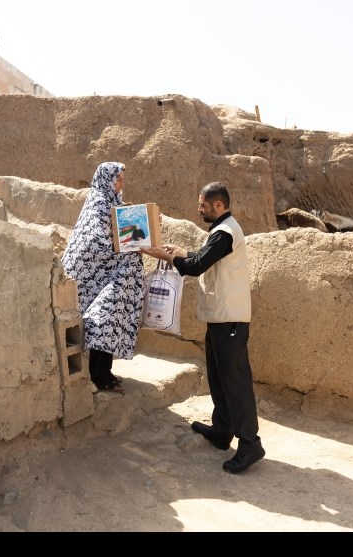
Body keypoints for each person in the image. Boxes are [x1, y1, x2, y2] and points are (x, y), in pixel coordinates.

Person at [141, 182, 265, 474]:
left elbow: (197, 266)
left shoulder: (225, 232)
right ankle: (223, 430)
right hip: (221, 318)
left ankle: (250, 444)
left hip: (230, 319)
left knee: (235, 382)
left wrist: (167, 256)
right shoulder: (222, 231)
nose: (199, 209)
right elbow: (205, 257)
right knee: (219, 377)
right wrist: (184, 252)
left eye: (203, 205)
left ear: (218, 205)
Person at [61, 162, 145, 393]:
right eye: (118, 179)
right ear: (107, 180)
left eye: (122, 179)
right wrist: (127, 250)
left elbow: (123, 237)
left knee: (110, 319)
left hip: (107, 273)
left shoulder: (114, 203)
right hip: (90, 277)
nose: (121, 184)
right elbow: (96, 243)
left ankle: (104, 372)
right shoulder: (98, 204)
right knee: (101, 318)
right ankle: (97, 375)